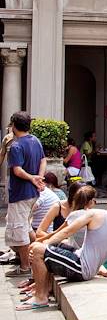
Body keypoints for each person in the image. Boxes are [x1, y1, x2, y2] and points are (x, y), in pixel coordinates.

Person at [20, 194, 107, 311]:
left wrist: (42, 245)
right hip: (85, 265)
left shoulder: (95, 213)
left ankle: (40, 297)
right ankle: (45, 287)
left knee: (38, 250)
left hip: (80, 268)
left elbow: (67, 231)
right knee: (54, 245)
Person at [5, 111, 46, 278]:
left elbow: (17, 170)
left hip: (21, 193)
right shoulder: (35, 140)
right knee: (26, 227)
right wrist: (39, 178)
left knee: (19, 229)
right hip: (32, 193)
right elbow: (43, 160)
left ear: (14, 126)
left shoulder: (16, 146)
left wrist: (33, 178)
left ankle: (24, 266)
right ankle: (38, 256)